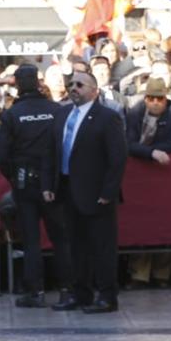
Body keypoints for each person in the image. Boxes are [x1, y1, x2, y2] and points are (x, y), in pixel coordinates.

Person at [0, 64, 72, 308]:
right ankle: (67, 289)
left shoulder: (12, 114)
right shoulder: (56, 110)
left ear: (16, 83)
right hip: (55, 182)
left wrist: (14, 176)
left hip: (24, 180)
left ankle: (35, 291)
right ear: (38, 82)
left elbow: (0, 155)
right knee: (61, 238)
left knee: (31, 239)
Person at [53, 71, 127, 313]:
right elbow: (52, 151)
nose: (74, 88)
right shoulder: (62, 113)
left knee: (102, 246)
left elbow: (117, 158)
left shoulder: (107, 117)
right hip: (67, 189)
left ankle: (107, 295)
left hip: (96, 193)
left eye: (80, 84)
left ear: (94, 90)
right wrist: (48, 185)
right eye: (71, 84)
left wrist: (109, 191)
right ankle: (80, 292)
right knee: (75, 245)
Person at [124, 77, 171, 289]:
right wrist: (151, 152)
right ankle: (139, 274)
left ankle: (162, 274)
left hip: (168, 177)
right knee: (141, 224)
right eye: (150, 98)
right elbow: (128, 143)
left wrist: (153, 151)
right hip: (141, 176)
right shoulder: (135, 113)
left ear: (166, 98)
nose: (155, 103)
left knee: (167, 224)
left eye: (159, 98)